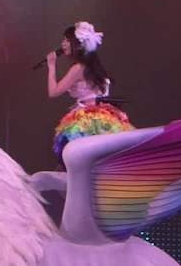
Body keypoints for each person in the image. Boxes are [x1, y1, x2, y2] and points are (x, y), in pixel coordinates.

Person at [45, 21, 134, 164]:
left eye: (67, 40)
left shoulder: (78, 68)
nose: (63, 44)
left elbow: (53, 92)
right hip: (105, 117)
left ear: (77, 44)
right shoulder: (95, 67)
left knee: (83, 160)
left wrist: (51, 66)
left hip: (87, 119)